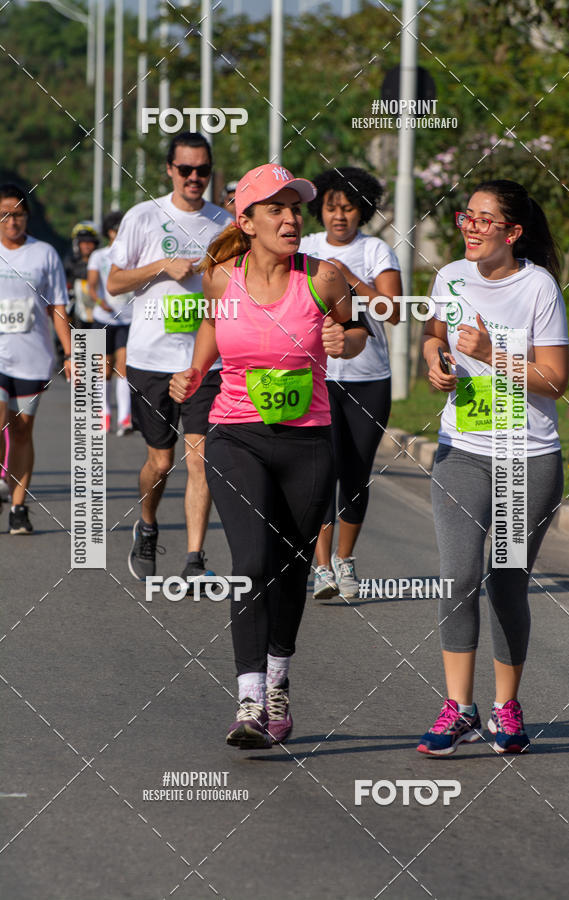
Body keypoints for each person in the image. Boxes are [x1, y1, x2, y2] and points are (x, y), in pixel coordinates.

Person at [170, 163, 369, 748]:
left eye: (294, 209)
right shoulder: (220, 277)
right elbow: (214, 324)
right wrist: (195, 369)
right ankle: (251, 699)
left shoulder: (324, 278)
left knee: (290, 568)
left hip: (308, 441)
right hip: (237, 435)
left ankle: (279, 680)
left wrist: (345, 339)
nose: (290, 219)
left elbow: (356, 331)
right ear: (247, 220)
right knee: (253, 559)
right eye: (276, 209)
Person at [418, 179, 569, 756]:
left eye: (485, 220)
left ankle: (506, 706)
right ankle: (458, 707)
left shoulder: (539, 287)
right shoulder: (451, 277)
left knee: (506, 582)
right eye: (467, 218)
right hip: (462, 451)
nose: (472, 228)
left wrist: (488, 355)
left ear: (513, 232)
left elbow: (554, 379)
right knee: (457, 576)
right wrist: (437, 360)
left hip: (525, 458)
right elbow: (434, 335)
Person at [107, 132, 232, 587]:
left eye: (202, 170)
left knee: (199, 461)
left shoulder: (227, 224)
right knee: (160, 463)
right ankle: (148, 524)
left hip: (204, 363)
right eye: (186, 170)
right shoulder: (143, 217)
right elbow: (114, 283)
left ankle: (195, 558)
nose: (195, 178)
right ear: (170, 171)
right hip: (150, 358)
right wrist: (163, 265)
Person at [300, 167, 402, 600]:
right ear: (319, 208)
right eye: (331, 207)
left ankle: (345, 559)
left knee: (355, 473)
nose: (339, 216)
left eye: (348, 208)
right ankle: (321, 567)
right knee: (322, 471)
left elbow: (393, 310)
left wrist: (347, 277)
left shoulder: (375, 249)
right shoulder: (304, 247)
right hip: (317, 376)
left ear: (363, 210)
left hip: (368, 378)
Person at [0, 183, 71, 534]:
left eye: (19, 214)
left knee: (22, 431)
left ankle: (17, 507)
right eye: (6, 215)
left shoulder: (45, 254)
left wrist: (71, 352)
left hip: (33, 356)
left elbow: (58, 307)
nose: (13, 221)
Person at [87, 210, 133, 435]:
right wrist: (99, 300)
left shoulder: (135, 254)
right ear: (110, 232)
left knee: (122, 368)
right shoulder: (99, 255)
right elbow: (92, 284)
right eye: (117, 230)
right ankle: (103, 414)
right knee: (102, 369)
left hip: (128, 318)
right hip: (103, 318)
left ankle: (125, 418)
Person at [64, 221, 100, 330]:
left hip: (98, 316)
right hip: (76, 318)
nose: (87, 245)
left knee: (96, 346)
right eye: (83, 242)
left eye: (90, 241)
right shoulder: (69, 264)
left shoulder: (103, 263)